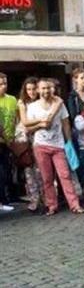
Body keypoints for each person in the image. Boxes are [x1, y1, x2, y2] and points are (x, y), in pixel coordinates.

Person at [24, 79, 84, 215]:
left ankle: (74, 204)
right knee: (47, 178)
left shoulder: (59, 104)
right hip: (41, 145)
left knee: (65, 175)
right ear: (38, 90)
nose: (46, 91)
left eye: (48, 88)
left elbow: (65, 124)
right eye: (43, 88)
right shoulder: (33, 107)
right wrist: (40, 125)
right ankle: (52, 205)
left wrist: (68, 142)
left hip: (58, 145)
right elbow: (28, 127)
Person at [16, 78, 44, 212]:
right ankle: (34, 199)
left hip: (40, 138)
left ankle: (45, 197)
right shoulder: (22, 103)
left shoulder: (42, 102)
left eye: (33, 89)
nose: (31, 92)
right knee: (29, 170)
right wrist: (40, 123)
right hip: (26, 139)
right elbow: (25, 122)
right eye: (29, 89)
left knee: (41, 170)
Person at [0, 72, 18, 212]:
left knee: (8, 171)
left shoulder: (12, 99)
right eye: (0, 84)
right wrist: (6, 139)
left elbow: (17, 118)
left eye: (5, 83)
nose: (3, 86)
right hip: (2, 140)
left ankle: (10, 197)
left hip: (11, 139)